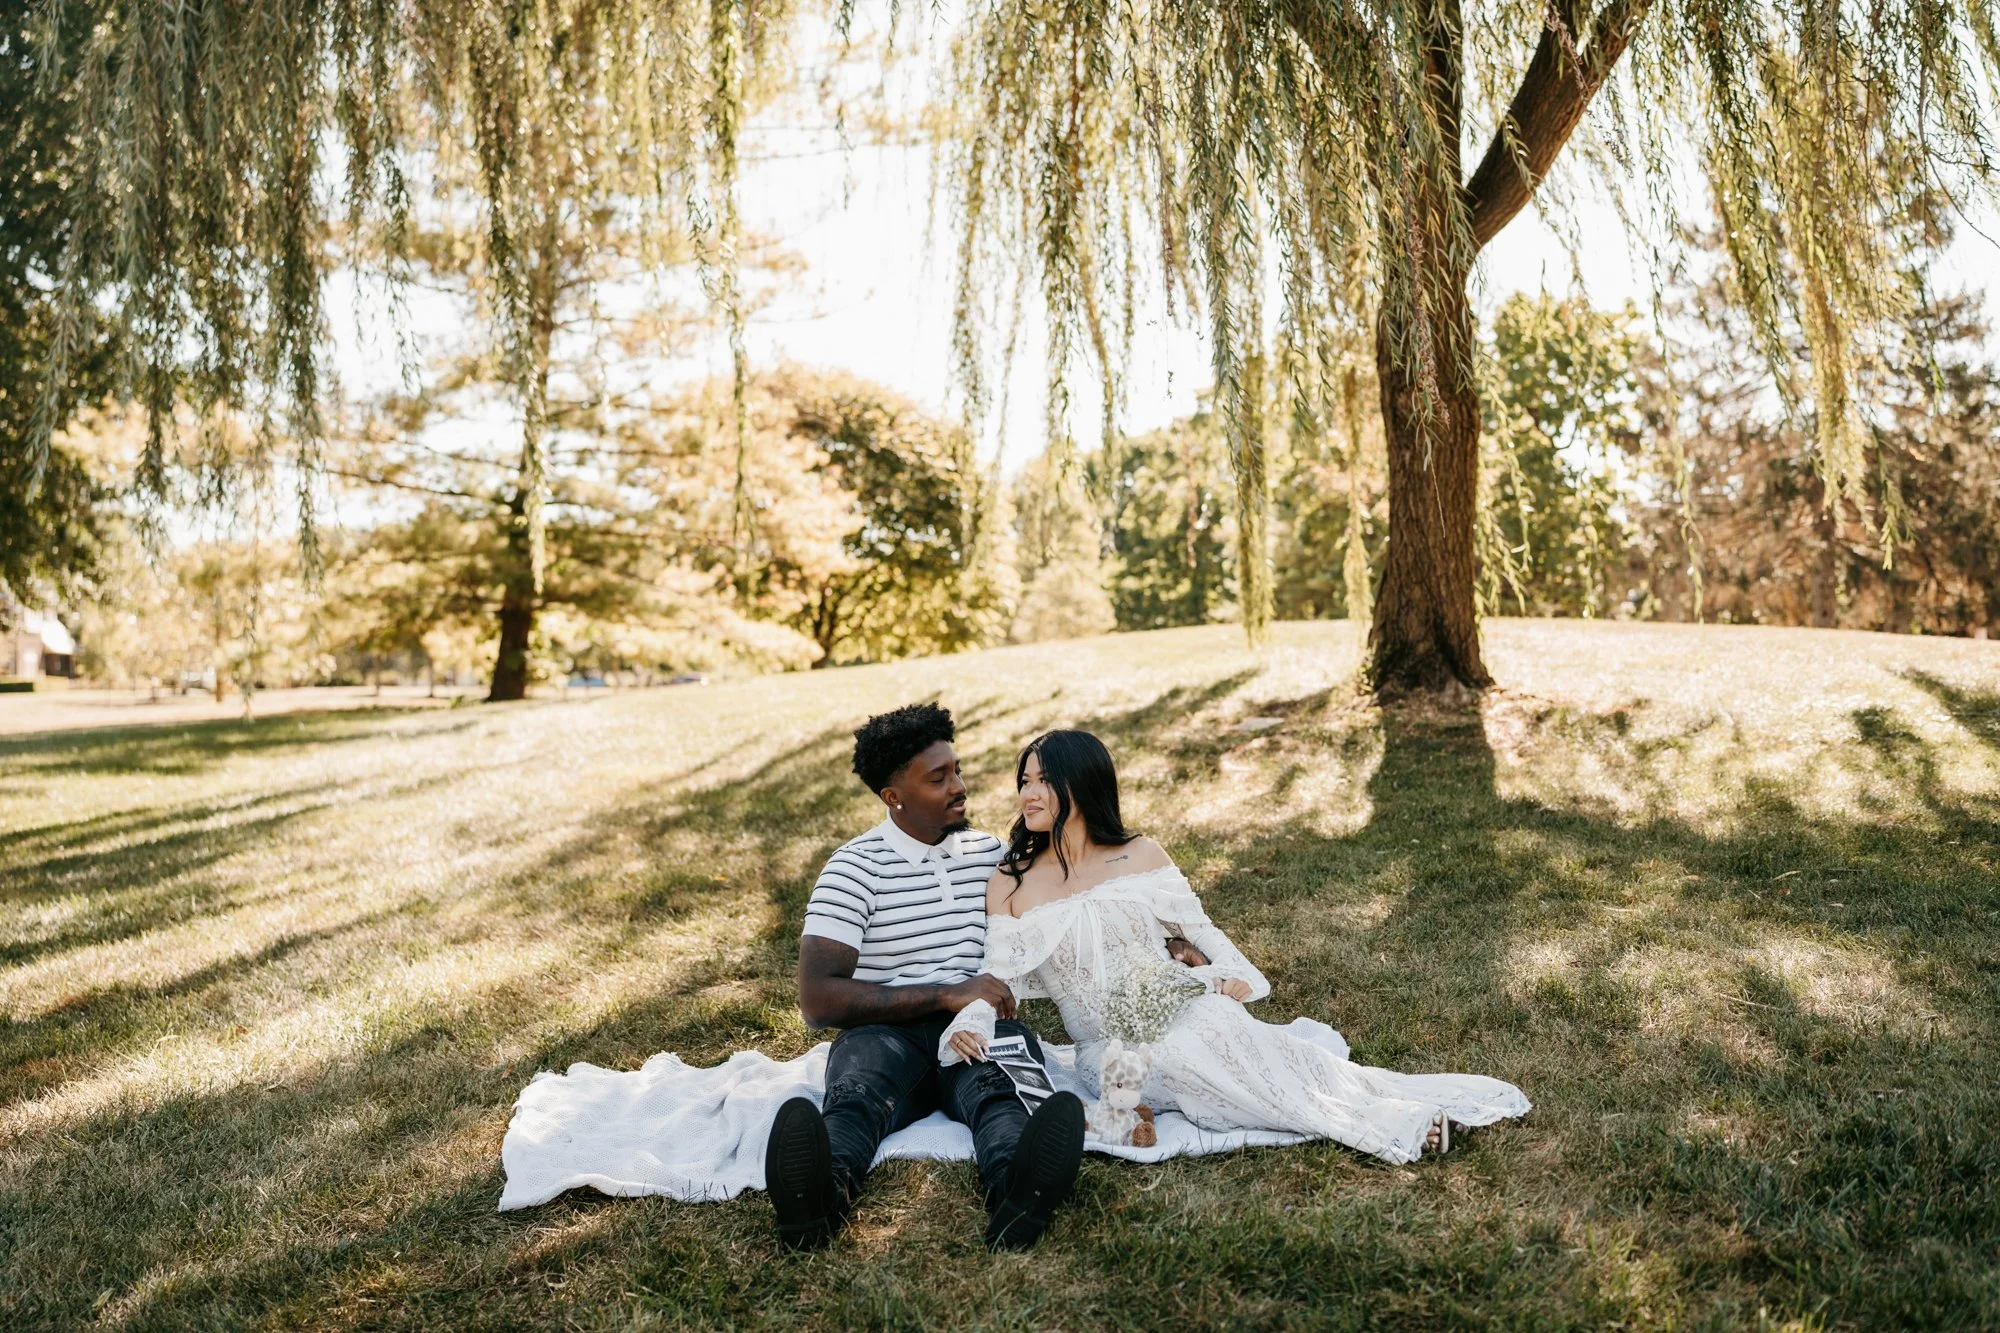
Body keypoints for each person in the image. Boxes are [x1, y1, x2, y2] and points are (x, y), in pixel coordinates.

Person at [940, 729, 1532, 1165]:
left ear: (1082, 784)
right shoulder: (1011, 883)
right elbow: (1000, 979)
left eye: (1043, 779)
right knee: (1197, 1068)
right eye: (1024, 780)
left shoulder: (1139, 854)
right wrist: (971, 1023)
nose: (1028, 793)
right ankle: (1388, 1124)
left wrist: (1231, 973)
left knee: (1239, 1041)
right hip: (1111, 1049)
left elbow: (1202, 932)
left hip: (1185, 1002)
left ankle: (1380, 1101)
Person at [764, 703, 1087, 1252]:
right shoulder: (853, 868)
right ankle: (816, 1201)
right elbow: (819, 1000)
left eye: (956, 770)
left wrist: (1169, 939)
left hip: (979, 1021)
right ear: (894, 796)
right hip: (885, 1031)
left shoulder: (992, 854)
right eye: (939, 779)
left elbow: (1080, 901)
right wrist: (943, 991)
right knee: (856, 1098)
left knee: (1000, 1096)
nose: (959, 786)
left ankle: (1018, 1192)